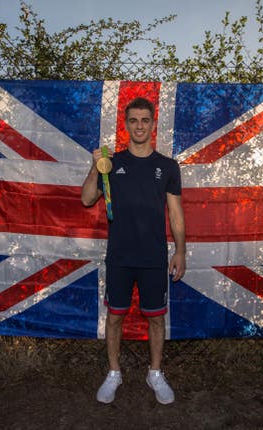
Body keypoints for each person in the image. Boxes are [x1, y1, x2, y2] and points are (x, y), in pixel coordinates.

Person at [80, 97, 186, 405]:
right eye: (133, 121)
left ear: (153, 125)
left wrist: (181, 251)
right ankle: (114, 372)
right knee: (115, 317)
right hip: (120, 258)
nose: (139, 126)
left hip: (154, 258)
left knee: (156, 319)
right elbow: (87, 199)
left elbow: (176, 213)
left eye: (144, 120)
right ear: (126, 125)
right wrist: (94, 165)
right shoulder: (112, 164)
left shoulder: (167, 166)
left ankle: (155, 372)